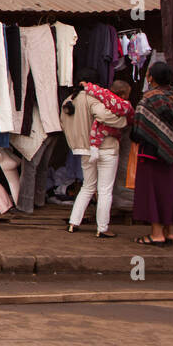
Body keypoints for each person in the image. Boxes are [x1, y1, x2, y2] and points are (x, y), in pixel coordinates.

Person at [60, 68, 128, 238]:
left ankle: (73, 223)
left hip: (84, 150)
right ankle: (102, 228)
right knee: (104, 190)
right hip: (106, 148)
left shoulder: (68, 100)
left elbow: (63, 124)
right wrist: (124, 120)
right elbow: (105, 117)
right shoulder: (94, 99)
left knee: (87, 186)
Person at [130, 62, 173, 245]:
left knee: (154, 192)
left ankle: (156, 234)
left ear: (151, 78)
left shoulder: (148, 100)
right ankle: (168, 232)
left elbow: (138, 131)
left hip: (153, 155)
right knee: (171, 191)